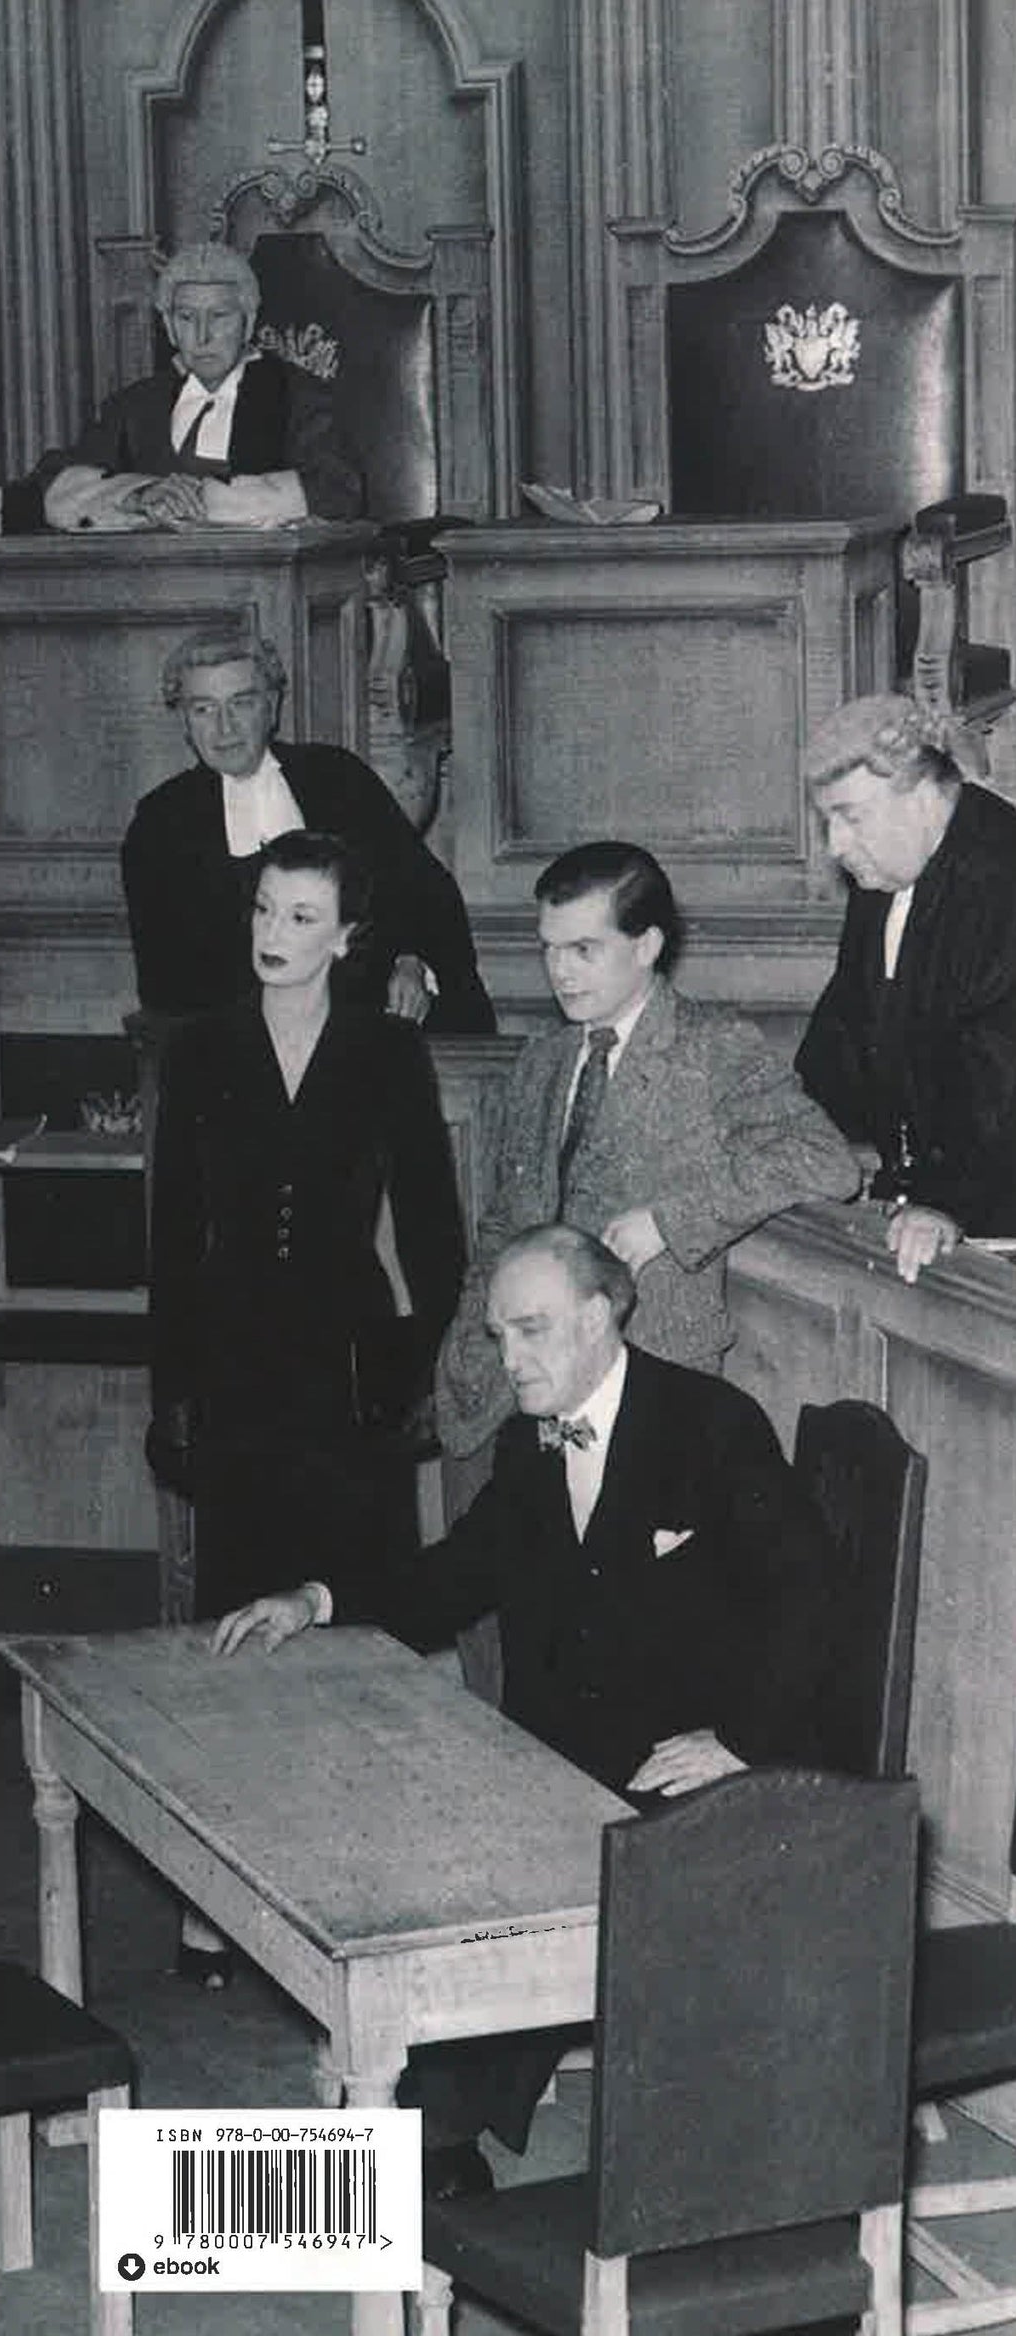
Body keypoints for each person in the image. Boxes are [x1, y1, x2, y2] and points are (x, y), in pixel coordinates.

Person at [214, 1223, 836, 2195]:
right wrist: (316, 1598)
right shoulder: (526, 1443)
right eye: (499, 1335)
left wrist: (740, 1742)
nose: (510, 1358)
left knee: (511, 1872)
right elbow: (450, 1576)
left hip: (689, 1765)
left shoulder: (711, 1422)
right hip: (561, 1751)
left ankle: (426, 2140)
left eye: (531, 1330)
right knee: (426, 1830)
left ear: (599, 1316)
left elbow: (811, 1596)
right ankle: (417, 2117)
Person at [148, 829, 466, 1981]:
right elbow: (172, 1233)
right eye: (263, 910)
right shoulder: (201, 1046)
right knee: (235, 1621)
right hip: (232, 1364)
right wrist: (173, 1387)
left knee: (353, 1609)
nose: (273, 935)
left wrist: (420, 1370)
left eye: (300, 917)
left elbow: (432, 1229)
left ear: (347, 936)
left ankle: (353, 1881)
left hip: (349, 1364)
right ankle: (216, 1902)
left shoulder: (387, 1049)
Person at [436, 840, 859, 1456]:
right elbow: (507, 1222)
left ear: (647, 946)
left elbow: (826, 1159)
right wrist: (473, 1357)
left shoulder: (712, 1048)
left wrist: (669, 1221)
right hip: (528, 1395)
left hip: (656, 1384)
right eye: (549, 948)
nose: (560, 971)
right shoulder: (542, 1060)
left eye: (584, 949)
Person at [124, 624, 497, 1032]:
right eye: (204, 709)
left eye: (242, 703)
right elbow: (166, 980)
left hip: (371, 1016)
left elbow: (422, 891)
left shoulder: (338, 778)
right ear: (185, 721)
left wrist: (411, 959)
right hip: (240, 1037)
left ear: (272, 706)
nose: (224, 727)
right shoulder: (160, 824)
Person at [795, 691, 1016, 1283]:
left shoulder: (1003, 879)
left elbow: (1001, 1081)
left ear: (921, 798)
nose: (836, 845)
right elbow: (842, 1033)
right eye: (827, 821)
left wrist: (945, 1202)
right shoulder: (885, 877)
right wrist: (781, 1122)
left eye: (851, 817)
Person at [38, 243, 364, 533]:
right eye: (186, 317)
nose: (203, 336)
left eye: (219, 316)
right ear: (169, 327)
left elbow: (336, 492)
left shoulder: (298, 398)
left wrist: (197, 502)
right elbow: (55, 483)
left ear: (248, 322)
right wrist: (137, 496)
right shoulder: (134, 406)